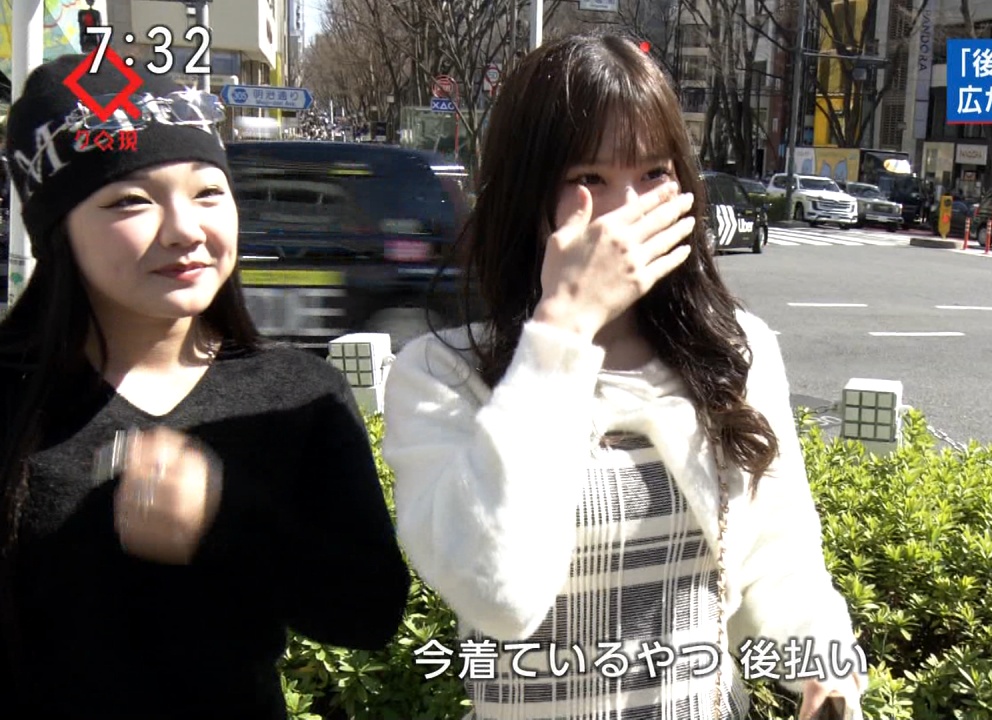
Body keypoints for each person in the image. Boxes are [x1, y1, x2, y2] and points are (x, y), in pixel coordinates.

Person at [383, 34, 866, 720]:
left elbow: (779, 561)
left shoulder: (735, 352)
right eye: (590, 178)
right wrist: (564, 326)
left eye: (653, 174)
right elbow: (498, 594)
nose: (627, 212)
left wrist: (826, 675)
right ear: (528, 192)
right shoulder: (442, 375)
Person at [0, 55, 410, 719]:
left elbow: (370, 611)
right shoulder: (13, 397)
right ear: (56, 231)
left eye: (208, 193)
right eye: (131, 201)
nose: (185, 230)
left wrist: (222, 521)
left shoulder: (298, 395)